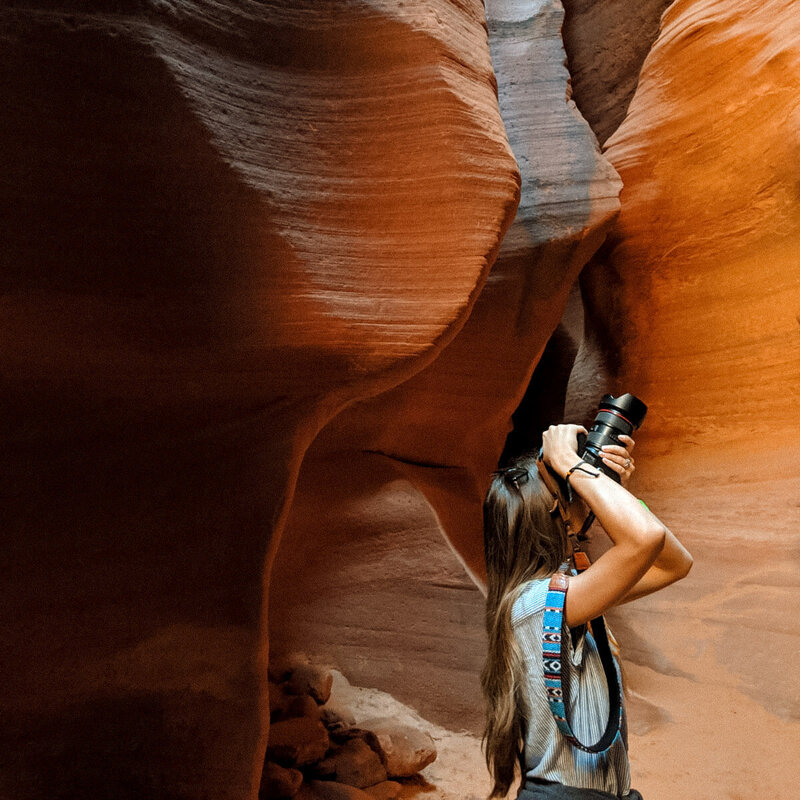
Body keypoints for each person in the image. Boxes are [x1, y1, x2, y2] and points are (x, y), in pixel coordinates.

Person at [481, 424, 692, 800]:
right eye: (567, 492)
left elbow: (673, 564)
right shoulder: (533, 604)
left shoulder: (571, 593)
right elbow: (645, 539)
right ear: (549, 517)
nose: (576, 495)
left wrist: (610, 491)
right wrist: (569, 462)